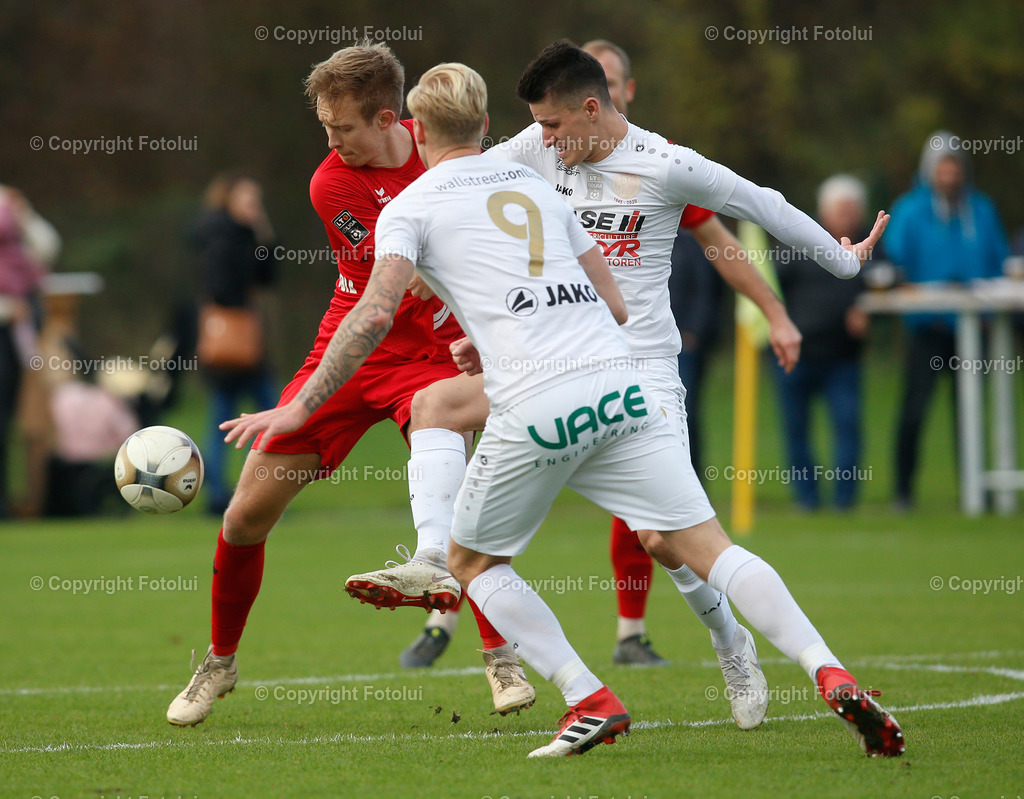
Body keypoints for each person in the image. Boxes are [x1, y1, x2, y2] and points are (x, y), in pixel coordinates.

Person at [221, 58, 904, 759]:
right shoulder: (530, 171)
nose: (543, 135)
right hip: (616, 378)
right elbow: (607, 300)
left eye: (550, 122)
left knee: (482, 561)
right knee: (706, 545)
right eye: (533, 125)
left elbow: (369, 317)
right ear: (490, 124)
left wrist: (298, 406)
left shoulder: (433, 200)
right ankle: (828, 668)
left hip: (563, 391)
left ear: (417, 127)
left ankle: (585, 691)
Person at [379, 38, 801, 730]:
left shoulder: (654, 165)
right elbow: (500, 250)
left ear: (612, 97)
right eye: (542, 122)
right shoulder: (537, 159)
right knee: (439, 410)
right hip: (563, 355)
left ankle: (728, 644)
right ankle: (446, 570)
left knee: (667, 537)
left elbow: (720, 238)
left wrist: (776, 310)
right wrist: (478, 331)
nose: (548, 130)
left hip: (641, 360)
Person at [165, 42, 534, 728]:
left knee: (461, 506)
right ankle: (219, 660)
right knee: (245, 513)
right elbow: (380, 299)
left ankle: (500, 652)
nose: (330, 142)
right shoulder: (331, 182)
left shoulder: (452, 152)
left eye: (342, 128)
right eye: (325, 127)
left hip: (434, 358)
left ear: (392, 118)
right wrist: (298, 401)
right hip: (352, 351)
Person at [886, 131, 1009, 508]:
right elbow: (894, 261)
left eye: (955, 166)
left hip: (972, 327)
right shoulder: (910, 209)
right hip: (927, 328)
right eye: (943, 167)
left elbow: (997, 261)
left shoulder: (980, 209)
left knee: (969, 412)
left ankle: (975, 490)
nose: (950, 174)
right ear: (931, 169)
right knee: (914, 410)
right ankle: (903, 492)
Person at [773, 175, 874, 510]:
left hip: (843, 357)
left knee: (847, 427)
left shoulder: (870, 247)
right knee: (796, 431)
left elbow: (888, 286)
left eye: (852, 210)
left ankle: (845, 501)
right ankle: (807, 500)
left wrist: (867, 309)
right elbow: (770, 287)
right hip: (796, 353)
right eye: (840, 209)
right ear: (823, 210)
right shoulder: (796, 241)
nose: (846, 216)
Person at [192, 173, 280, 515]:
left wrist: (263, 236)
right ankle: (224, 495)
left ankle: (240, 495)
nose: (254, 208)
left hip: (245, 349)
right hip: (233, 346)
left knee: (241, 419)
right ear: (229, 201)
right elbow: (221, 286)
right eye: (248, 201)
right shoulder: (222, 236)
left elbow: (269, 276)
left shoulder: (244, 235)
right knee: (257, 419)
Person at [0, 186, 59, 520]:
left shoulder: (8, 202)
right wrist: (6, 309)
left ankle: (24, 500)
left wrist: (24, 214)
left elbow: (47, 248)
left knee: (25, 419)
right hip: (9, 320)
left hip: (20, 331)